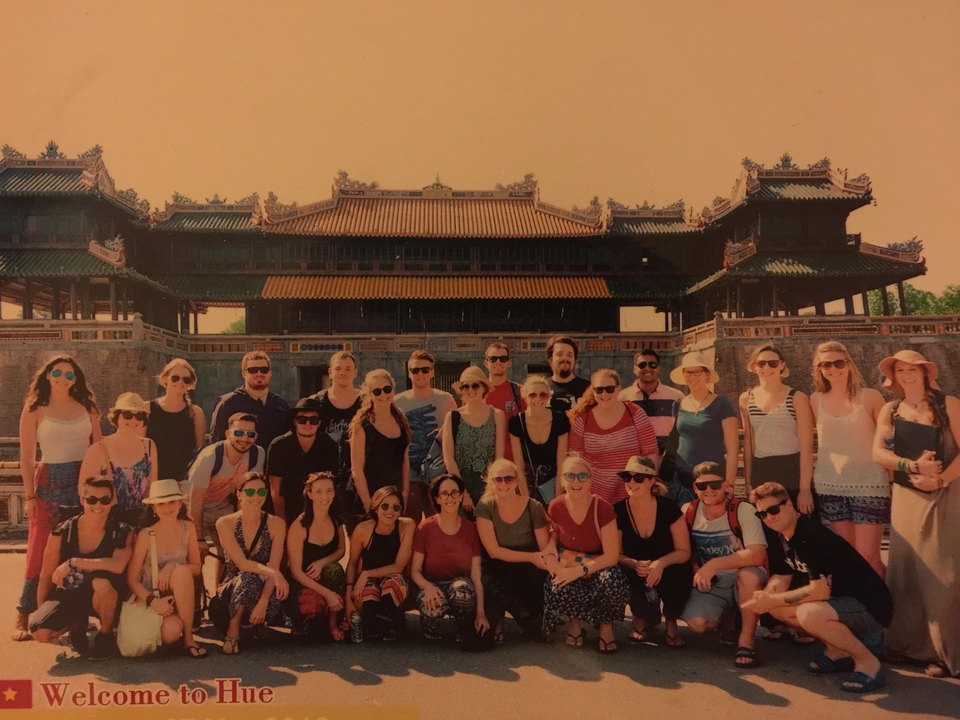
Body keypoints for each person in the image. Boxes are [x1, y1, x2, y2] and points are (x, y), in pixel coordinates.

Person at [744, 482, 893, 693]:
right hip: (840, 605)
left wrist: (772, 599)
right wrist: (765, 597)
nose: (769, 517)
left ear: (789, 505)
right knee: (776, 608)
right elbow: (783, 575)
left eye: (773, 509)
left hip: (870, 609)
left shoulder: (809, 534)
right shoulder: (785, 534)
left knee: (808, 613)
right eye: (762, 515)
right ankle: (838, 651)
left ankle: (868, 662)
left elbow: (819, 591)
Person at [872, 350, 960, 678]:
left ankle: (945, 653)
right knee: (905, 574)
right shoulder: (890, 409)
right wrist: (910, 466)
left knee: (943, 576)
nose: (907, 375)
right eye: (901, 370)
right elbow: (878, 452)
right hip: (907, 497)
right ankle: (907, 646)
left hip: (946, 495)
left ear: (925, 373)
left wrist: (938, 478)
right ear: (893, 375)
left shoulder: (948, 404)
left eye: (913, 369)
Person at [15, 355, 101, 641]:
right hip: (49, 480)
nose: (63, 378)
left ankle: (77, 615)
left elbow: (98, 447)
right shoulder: (34, 409)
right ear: (48, 375)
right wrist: (29, 495)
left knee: (79, 549)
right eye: (58, 372)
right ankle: (26, 612)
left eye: (70, 374)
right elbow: (26, 457)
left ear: (76, 379)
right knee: (40, 547)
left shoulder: (87, 407)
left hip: (83, 479)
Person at [29, 476, 132, 660]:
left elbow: (117, 565)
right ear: (82, 500)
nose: (98, 505)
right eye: (91, 499)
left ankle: (105, 635)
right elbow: (46, 575)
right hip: (71, 594)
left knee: (101, 583)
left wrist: (73, 562)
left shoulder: (121, 530)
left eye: (105, 499)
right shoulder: (63, 531)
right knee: (40, 632)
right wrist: (44, 612)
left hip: (105, 597)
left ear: (113, 501)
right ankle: (76, 625)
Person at [681, 461, 768, 669]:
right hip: (714, 583)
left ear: (726, 485)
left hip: (743, 578)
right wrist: (696, 567)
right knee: (697, 623)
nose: (709, 490)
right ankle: (728, 618)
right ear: (695, 488)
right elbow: (686, 549)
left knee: (748, 576)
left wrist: (716, 563)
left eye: (715, 485)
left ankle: (746, 643)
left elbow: (757, 554)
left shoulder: (743, 510)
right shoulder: (689, 511)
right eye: (702, 486)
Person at [542, 456, 629, 654]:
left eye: (582, 476)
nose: (576, 481)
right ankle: (575, 624)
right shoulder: (555, 506)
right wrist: (551, 553)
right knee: (556, 582)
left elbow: (612, 556)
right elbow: (554, 534)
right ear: (562, 481)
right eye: (570, 476)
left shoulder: (604, 508)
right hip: (570, 559)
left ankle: (606, 628)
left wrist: (579, 571)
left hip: (598, 563)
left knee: (613, 581)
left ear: (590, 480)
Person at [614, 456, 692, 647]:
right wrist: (633, 563)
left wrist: (661, 563)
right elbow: (615, 554)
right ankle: (639, 619)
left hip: (666, 566)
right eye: (627, 477)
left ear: (651, 481)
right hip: (635, 567)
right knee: (621, 573)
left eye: (638, 477)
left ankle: (671, 623)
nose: (632, 482)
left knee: (678, 570)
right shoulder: (617, 510)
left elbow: (684, 551)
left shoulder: (669, 508)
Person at [475, 458, 552, 644]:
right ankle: (518, 619)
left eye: (508, 478)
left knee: (539, 573)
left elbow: (543, 547)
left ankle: (532, 616)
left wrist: (539, 559)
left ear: (517, 481)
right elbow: (493, 551)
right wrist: (532, 557)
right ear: (491, 482)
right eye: (498, 479)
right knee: (489, 577)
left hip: (528, 566)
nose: (503, 483)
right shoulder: (485, 507)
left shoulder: (533, 506)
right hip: (499, 562)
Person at [126, 479, 205, 658]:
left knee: (182, 572)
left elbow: (196, 568)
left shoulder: (188, 528)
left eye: (172, 502)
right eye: (161, 503)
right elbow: (131, 579)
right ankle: (169, 635)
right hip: (150, 600)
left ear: (179, 504)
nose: (167, 507)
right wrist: (153, 601)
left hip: (179, 598)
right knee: (171, 632)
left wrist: (172, 566)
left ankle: (188, 639)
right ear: (153, 508)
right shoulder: (146, 535)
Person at [215, 472, 289, 654]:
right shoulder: (225, 523)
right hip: (231, 593)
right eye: (249, 492)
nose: (255, 497)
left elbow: (274, 565)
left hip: (266, 589)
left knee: (258, 581)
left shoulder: (277, 524)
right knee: (249, 576)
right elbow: (242, 564)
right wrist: (275, 574)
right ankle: (233, 631)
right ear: (239, 494)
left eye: (261, 492)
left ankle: (259, 621)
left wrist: (263, 602)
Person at [410, 474, 488, 641]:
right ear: (437, 499)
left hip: (458, 586)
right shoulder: (425, 528)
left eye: (454, 493)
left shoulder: (471, 529)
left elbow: (476, 576)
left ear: (461, 496)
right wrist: (428, 587)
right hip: (432, 585)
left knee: (463, 591)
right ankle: (430, 626)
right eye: (444, 494)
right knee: (432, 607)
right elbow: (415, 571)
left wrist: (481, 613)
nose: (450, 498)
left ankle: (463, 626)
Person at [567, 369, 658, 505]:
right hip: (594, 496)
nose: (604, 394)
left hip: (631, 492)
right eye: (599, 390)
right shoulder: (582, 420)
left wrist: (646, 488)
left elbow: (650, 454)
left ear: (618, 389)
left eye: (609, 389)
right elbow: (575, 461)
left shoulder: (635, 414)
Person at [739, 344, 815, 505]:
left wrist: (805, 489)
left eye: (772, 363)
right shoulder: (746, 398)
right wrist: (748, 482)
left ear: (782, 365)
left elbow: (807, 447)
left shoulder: (797, 397)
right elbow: (749, 443)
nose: (767, 367)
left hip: (792, 469)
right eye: (761, 363)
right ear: (754, 366)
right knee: (766, 526)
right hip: (762, 469)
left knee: (797, 525)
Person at [661, 352, 739, 506]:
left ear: (707, 375)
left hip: (711, 483)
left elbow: (733, 450)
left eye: (698, 372)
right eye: (688, 372)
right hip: (681, 482)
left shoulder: (722, 404)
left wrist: (729, 485)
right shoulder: (678, 404)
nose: (692, 376)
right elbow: (675, 442)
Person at [187, 413, 265, 565]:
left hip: (221, 507)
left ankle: (220, 588)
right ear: (228, 434)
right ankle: (197, 588)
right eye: (238, 432)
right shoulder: (211, 455)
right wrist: (199, 538)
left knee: (229, 554)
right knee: (193, 555)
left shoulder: (257, 454)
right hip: (191, 506)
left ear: (255, 437)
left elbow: (248, 494)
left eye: (250, 434)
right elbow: (195, 499)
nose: (244, 438)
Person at [344, 486, 416, 642]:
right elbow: (352, 563)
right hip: (369, 582)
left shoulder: (407, 526)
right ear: (375, 507)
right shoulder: (363, 529)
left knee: (393, 584)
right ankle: (381, 622)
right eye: (385, 506)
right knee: (368, 596)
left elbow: (398, 567)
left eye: (396, 507)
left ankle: (389, 620)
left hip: (395, 581)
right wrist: (348, 598)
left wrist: (367, 573)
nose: (390, 511)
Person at [394, 350, 458, 521]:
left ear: (432, 372)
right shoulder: (397, 402)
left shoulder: (446, 399)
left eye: (425, 369)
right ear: (409, 373)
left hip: (437, 476)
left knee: (440, 525)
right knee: (409, 527)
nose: (420, 374)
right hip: (410, 476)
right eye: (415, 370)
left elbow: (454, 435)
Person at [285, 472, 347, 641]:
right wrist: (327, 594)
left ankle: (333, 624)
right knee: (312, 616)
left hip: (325, 578)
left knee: (334, 569)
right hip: (302, 581)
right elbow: (296, 572)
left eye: (329, 491)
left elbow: (341, 549)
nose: (325, 496)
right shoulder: (299, 525)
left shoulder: (336, 520)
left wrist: (322, 562)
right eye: (319, 491)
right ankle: (300, 621)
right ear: (309, 494)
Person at [79, 392, 158, 522]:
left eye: (139, 416)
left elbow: (153, 486)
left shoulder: (149, 446)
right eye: (127, 415)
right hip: (108, 522)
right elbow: (85, 491)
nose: (133, 420)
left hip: (141, 520)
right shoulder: (98, 449)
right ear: (117, 417)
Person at [348, 369, 411, 520]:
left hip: (393, 501)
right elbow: (357, 469)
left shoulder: (402, 422)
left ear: (393, 388)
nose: (383, 395)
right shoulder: (361, 425)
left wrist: (405, 493)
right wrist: (368, 503)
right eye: (377, 391)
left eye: (387, 389)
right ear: (370, 394)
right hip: (368, 500)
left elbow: (404, 461)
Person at [442, 366, 506, 512]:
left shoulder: (497, 415)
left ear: (483, 388)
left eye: (475, 385)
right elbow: (449, 459)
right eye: (466, 386)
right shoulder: (452, 417)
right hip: (459, 485)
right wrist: (463, 493)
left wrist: (489, 492)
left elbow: (499, 459)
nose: (470, 390)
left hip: (489, 485)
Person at [267, 398, 339, 525]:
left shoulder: (329, 446)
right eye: (302, 419)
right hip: (287, 509)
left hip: (319, 510)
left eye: (313, 420)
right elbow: (275, 489)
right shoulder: (279, 445)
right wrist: (283, 524)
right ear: (295, 422)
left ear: (319, 423)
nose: (307, 424)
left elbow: (330, 487)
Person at [210, 351, 289, 452]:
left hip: (273, 465)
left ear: (270, 373)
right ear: (244, 373)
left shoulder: (280, 404)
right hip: (239, 465)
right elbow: (216, 441)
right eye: (253, 370)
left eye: (264, 370)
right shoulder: (228, 403)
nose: (259, 373)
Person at [509, 376, 569, 503]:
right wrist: (526, 501)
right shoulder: (516, 423)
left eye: (543, 395)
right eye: (532, 395)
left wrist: (558, 499)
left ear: (549, 396)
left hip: (554, 483)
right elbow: (519, 466)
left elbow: (561, 463)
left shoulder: (560, 420)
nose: (538, 399)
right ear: (524, 396)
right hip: (527, 485)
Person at [311, 351, 362, 494]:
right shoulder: (316, 402)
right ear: (330, 372)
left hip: (356, 476)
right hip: (322, 475)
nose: (343, 373)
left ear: (355, 372)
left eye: (348, 369)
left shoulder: (366, 402)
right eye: (338, 368)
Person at [146, 358, 205, 482]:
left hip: (183, 478)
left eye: (186, 379)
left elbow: (198, 451)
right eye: (175, 378)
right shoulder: (147, 408)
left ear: (191, 383)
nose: (180, 382)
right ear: (165, 379)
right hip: (152, 477)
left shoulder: (196, 413)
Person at [618, 349, 684, 458]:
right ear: (635, 369)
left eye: (652, 365)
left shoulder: (676, 397)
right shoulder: (622, 398)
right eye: (642, 365)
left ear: (659, 368)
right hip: (634, 463)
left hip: (667, 462)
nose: (647, 368)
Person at [483, 342, 525, 461]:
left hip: (513, 462)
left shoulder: (520, 392)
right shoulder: (476, 392)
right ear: (486, 363)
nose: (498, 362)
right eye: (493, 359)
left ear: (508, 363)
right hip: (483, 462)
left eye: (503, 358)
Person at [544, 335, 591, 412]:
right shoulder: (542, 388)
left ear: (575, 360)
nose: (565, 358)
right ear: (550, 359)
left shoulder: (588, 389)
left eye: (569, 355)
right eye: (559, 354)